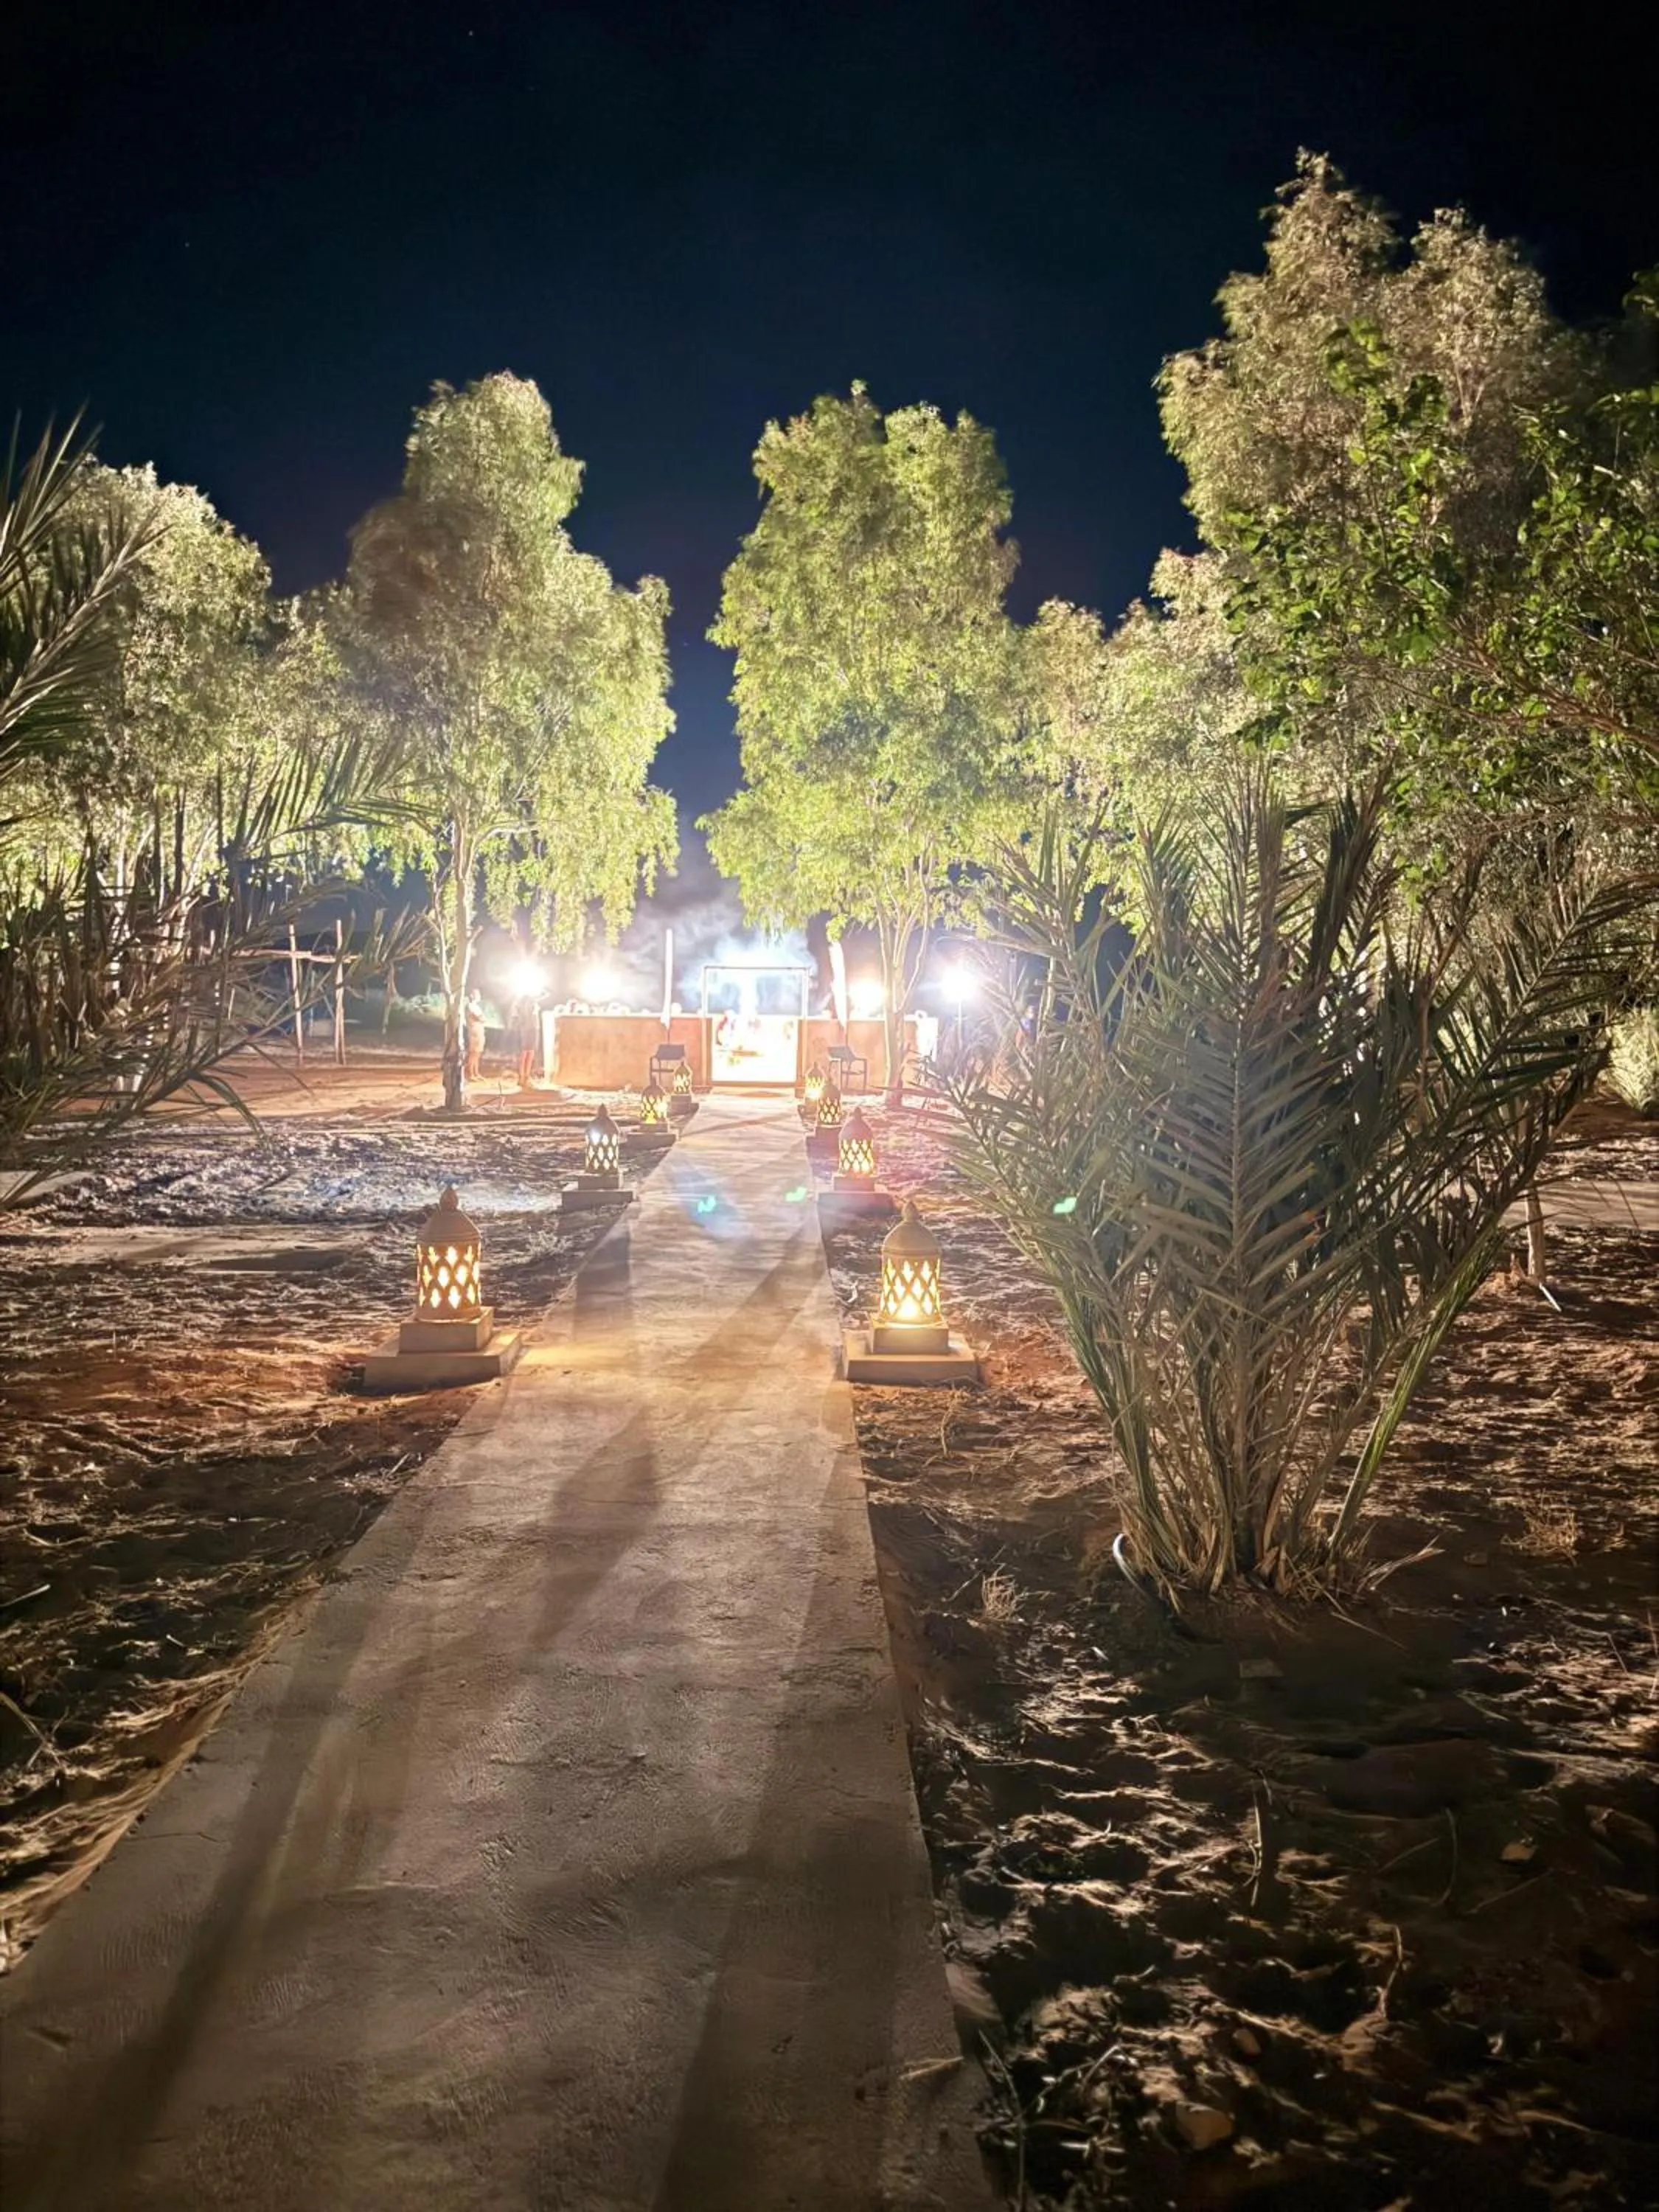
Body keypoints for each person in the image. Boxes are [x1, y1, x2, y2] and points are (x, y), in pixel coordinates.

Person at [463, 988, 487, 1082]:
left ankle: (476, 1073)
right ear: (472, 996)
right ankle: (471, 1074)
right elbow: (479, 1017)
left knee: (478, 1053)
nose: (479, 996)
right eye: (477, 994)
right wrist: (481, 1018)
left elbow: (482, 1018)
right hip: (474, 1031)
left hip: (479, 1031)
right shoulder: (470, 1006)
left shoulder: (476, 1006)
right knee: (473, 1053)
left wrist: (482, 1018)